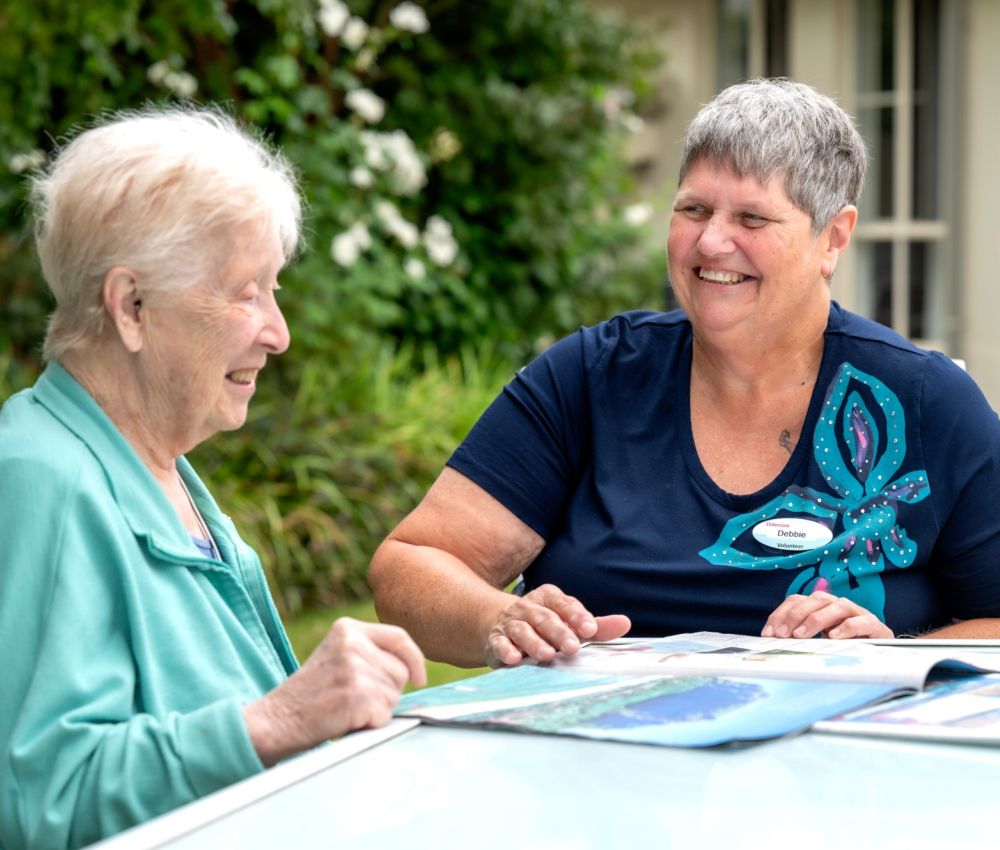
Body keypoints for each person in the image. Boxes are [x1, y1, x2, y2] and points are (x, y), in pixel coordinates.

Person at [369, 77, 1000, 670]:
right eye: (694, 209)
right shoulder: (592, 376)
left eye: (752, 219)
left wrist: (896, 653)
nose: (710, 243)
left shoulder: (926, 401)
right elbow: (411, 565)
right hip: (596, 760)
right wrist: (500, 617)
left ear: (833, 238)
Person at [0, 107, 425, 850]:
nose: (278, 332)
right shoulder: (42, 482)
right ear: (132, 305)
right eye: (245, 291)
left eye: (275, 289)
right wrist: (279, 721)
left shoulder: (156, 468)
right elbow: (39, 801)